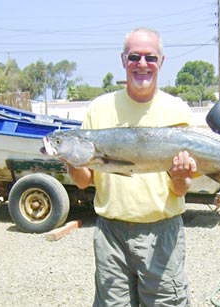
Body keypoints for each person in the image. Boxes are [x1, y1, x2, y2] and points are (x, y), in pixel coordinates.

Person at [66, 27, 197, 307]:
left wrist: (181, 177)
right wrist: (72, 161)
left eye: (150, 58)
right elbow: (82, 181)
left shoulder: (178, 111)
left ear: (161, 61)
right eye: (134, 56)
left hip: (161, 232)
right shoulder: (98, 109)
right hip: (110, 233)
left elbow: (181, 187)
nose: (142, 64)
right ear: (123, 60)